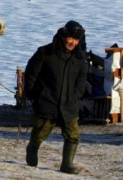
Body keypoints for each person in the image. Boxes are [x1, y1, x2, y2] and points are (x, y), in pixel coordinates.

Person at [24, 20, 87, 174]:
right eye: (71, 38)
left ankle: (67, 165)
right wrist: (34, 95)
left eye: (76, 40)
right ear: (63, 35)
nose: (73, 42)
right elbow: (31, 74)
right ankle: (32, 152)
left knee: (73, 135)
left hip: (69, 105)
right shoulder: (45, 53)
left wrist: (76, 96)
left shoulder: (79, 59)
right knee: (38, 136)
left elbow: (82, 80)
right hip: (47, 103)